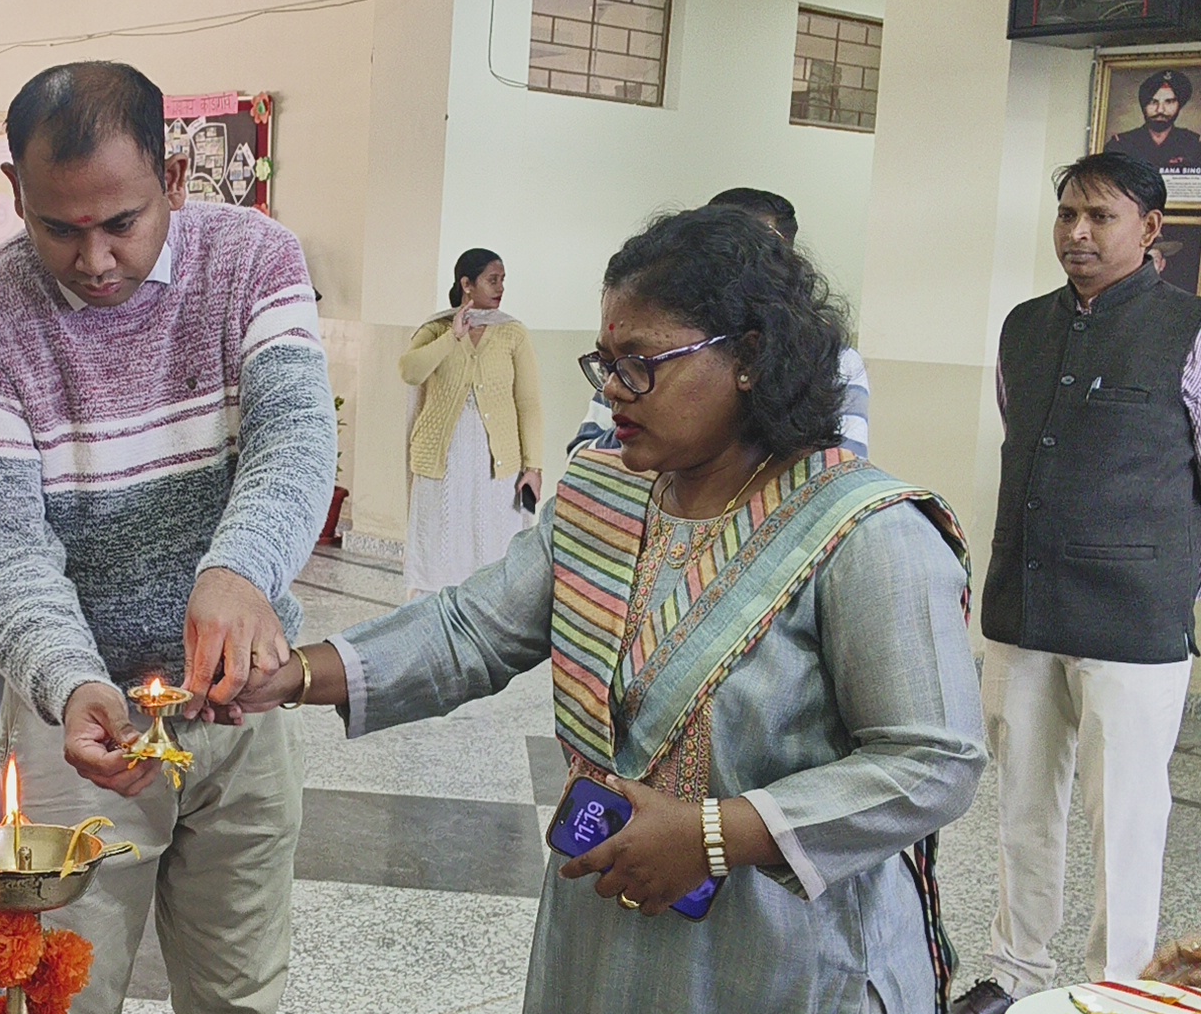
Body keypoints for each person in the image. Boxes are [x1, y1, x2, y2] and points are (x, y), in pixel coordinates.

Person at [238, 206, 986, 1013]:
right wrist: (293, 674)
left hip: (787, 955)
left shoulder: (864, 532)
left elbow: (931, 762)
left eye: (643, 364)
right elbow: (470, 631)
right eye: (606, 363)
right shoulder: (603, 496)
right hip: (607, 932)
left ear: (749, 358)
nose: (613, 392)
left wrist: (715, 835)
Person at [0, 61, 335, 1014]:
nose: (96, 259)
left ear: (175, 179)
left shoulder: (253, 259)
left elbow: (295, 436)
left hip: (241, 703)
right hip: (81, 722)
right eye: (59, 228)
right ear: (15, 192)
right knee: (62, 990)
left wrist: (240, 572)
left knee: (240, 990)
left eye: (122, 222)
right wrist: (71, 683)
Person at [962, 151, 1201, 1010]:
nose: (1078, 232)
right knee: (1023, 808)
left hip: (1134, 623)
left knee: (1126, 818)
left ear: (1150, 229)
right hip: (1023, 611)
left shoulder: (1189, 329)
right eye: (1068, 213)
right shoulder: (1023, 326)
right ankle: (1012, 972)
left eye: (1101, 216)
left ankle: (1119, 986)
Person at [570, 188, 870, 457]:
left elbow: (844, 460)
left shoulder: (838, 365)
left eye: (759, 255)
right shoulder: (629, 367)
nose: (612, 389)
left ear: (750, 357)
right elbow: (580, 460)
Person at [399, 248, 542, 599]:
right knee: (438, 550)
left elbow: (528, 403)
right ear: (467, 284)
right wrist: (453, 337)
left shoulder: (513, 333)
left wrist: (533, 466)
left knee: (493, 549)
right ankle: (434, 618)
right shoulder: (436, 329)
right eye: (492, 280)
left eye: (503, 280)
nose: (500, 288)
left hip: (497, 466)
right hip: (442, 463)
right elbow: (410, 371)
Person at [1104, 69, 1201, 172]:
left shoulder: (1194, 145)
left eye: (1169, 102)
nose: (1160, 110)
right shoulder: (1121, 145)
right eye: (1153, 102)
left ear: (1179, 106)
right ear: (1143, 106)